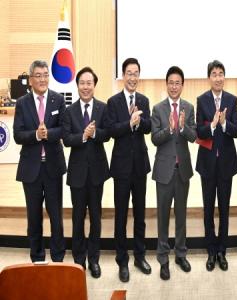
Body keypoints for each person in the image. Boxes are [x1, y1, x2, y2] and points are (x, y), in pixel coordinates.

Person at [13, 60, 66, 262]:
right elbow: (18, 135)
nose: (43, 79)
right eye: (39, 75)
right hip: (31, 169)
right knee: (34, 218)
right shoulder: (22, 103)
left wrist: (48, 133)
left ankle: (58, 258)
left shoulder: (58, 100)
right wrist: (36, 135)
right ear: (31, 79)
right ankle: (37, 258)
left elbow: (63, 129)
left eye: (46, 75)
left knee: (56, 217)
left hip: (52, 167)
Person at [107, 58, 152, 282]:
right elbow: (112, 130)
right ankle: (122, 260)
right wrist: (129, 122)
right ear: (123, 76)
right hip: (121, 167)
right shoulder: (113, 102)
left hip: (140, 167)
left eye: (136, 73)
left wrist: (139, 121)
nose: (133, 77)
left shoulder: (144, 99)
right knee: (121, 215)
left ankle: (139, 256)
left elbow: (149, 126)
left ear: (139, 76)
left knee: (140, 214)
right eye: (129, 73)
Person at [62, 67, 110, 278]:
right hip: (78, 173)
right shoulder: (69, 111)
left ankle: (94, 259)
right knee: (78, 217)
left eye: (89, 82)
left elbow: (107, 134)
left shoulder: (102, 108)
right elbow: (66, 139)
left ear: (94, 85)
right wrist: (83, 135)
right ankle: (78, 261)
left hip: (97, 173)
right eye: (82, 82)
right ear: (78, 85)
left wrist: (95, 133)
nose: (86, 86)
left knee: (96, 218)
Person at [151, 66, 197, 280]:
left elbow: (193, 135)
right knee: (163, 217)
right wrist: (170, 129)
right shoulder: (158, 109)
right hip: (164, 171)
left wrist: (183, 126)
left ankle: (180, 254)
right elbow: (154, 138)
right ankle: (163, 258)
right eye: (171, 82)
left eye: (178, 82)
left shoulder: (188, 107)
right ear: (166, 84)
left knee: (181, 215)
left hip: (182, 171)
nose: (174, 86)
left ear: (182, 85)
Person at [196, 60, 237, 271]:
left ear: (224, 76)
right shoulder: (202, 100)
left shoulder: (232, 100)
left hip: (226, 164)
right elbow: (198, 131)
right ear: (209, 78)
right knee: (208, 209)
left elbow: (236, 130)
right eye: (214, 74)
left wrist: (224, 123)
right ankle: (211, 251)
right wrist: (213, 125)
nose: (218, 77)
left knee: (224, 209)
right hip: (207, 164)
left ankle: (222, 250)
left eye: (221, 73)